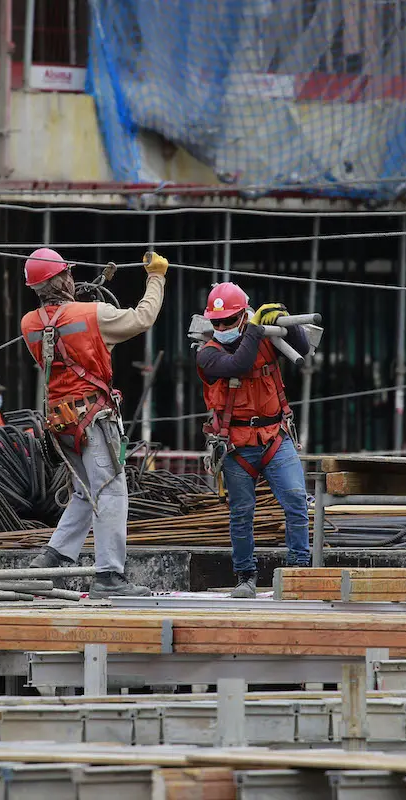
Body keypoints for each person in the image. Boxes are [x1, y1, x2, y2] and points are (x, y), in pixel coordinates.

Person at [21, 247, 169, 598]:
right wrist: (156, 278)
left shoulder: (29, 323)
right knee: (111, 491)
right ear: (62, 279)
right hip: (92, 420)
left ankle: (53, 558)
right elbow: (142, 318)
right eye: (67, 274)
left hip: (62, 424)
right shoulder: (94, 314)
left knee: (87, 493)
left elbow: (65, 330)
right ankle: (109, 577)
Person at [196, 283, 312, 598]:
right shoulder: (208, 354)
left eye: (228, 321)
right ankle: (246, 576)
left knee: (296, 501)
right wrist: (255, 330)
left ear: (243, 316)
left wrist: (284, 316)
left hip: (275, 436)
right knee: (242, 512)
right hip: (236, 444)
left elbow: (302, 348)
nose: (221, 328)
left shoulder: (265, 339)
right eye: (216, 322)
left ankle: (298, 570)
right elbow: (239, 365)